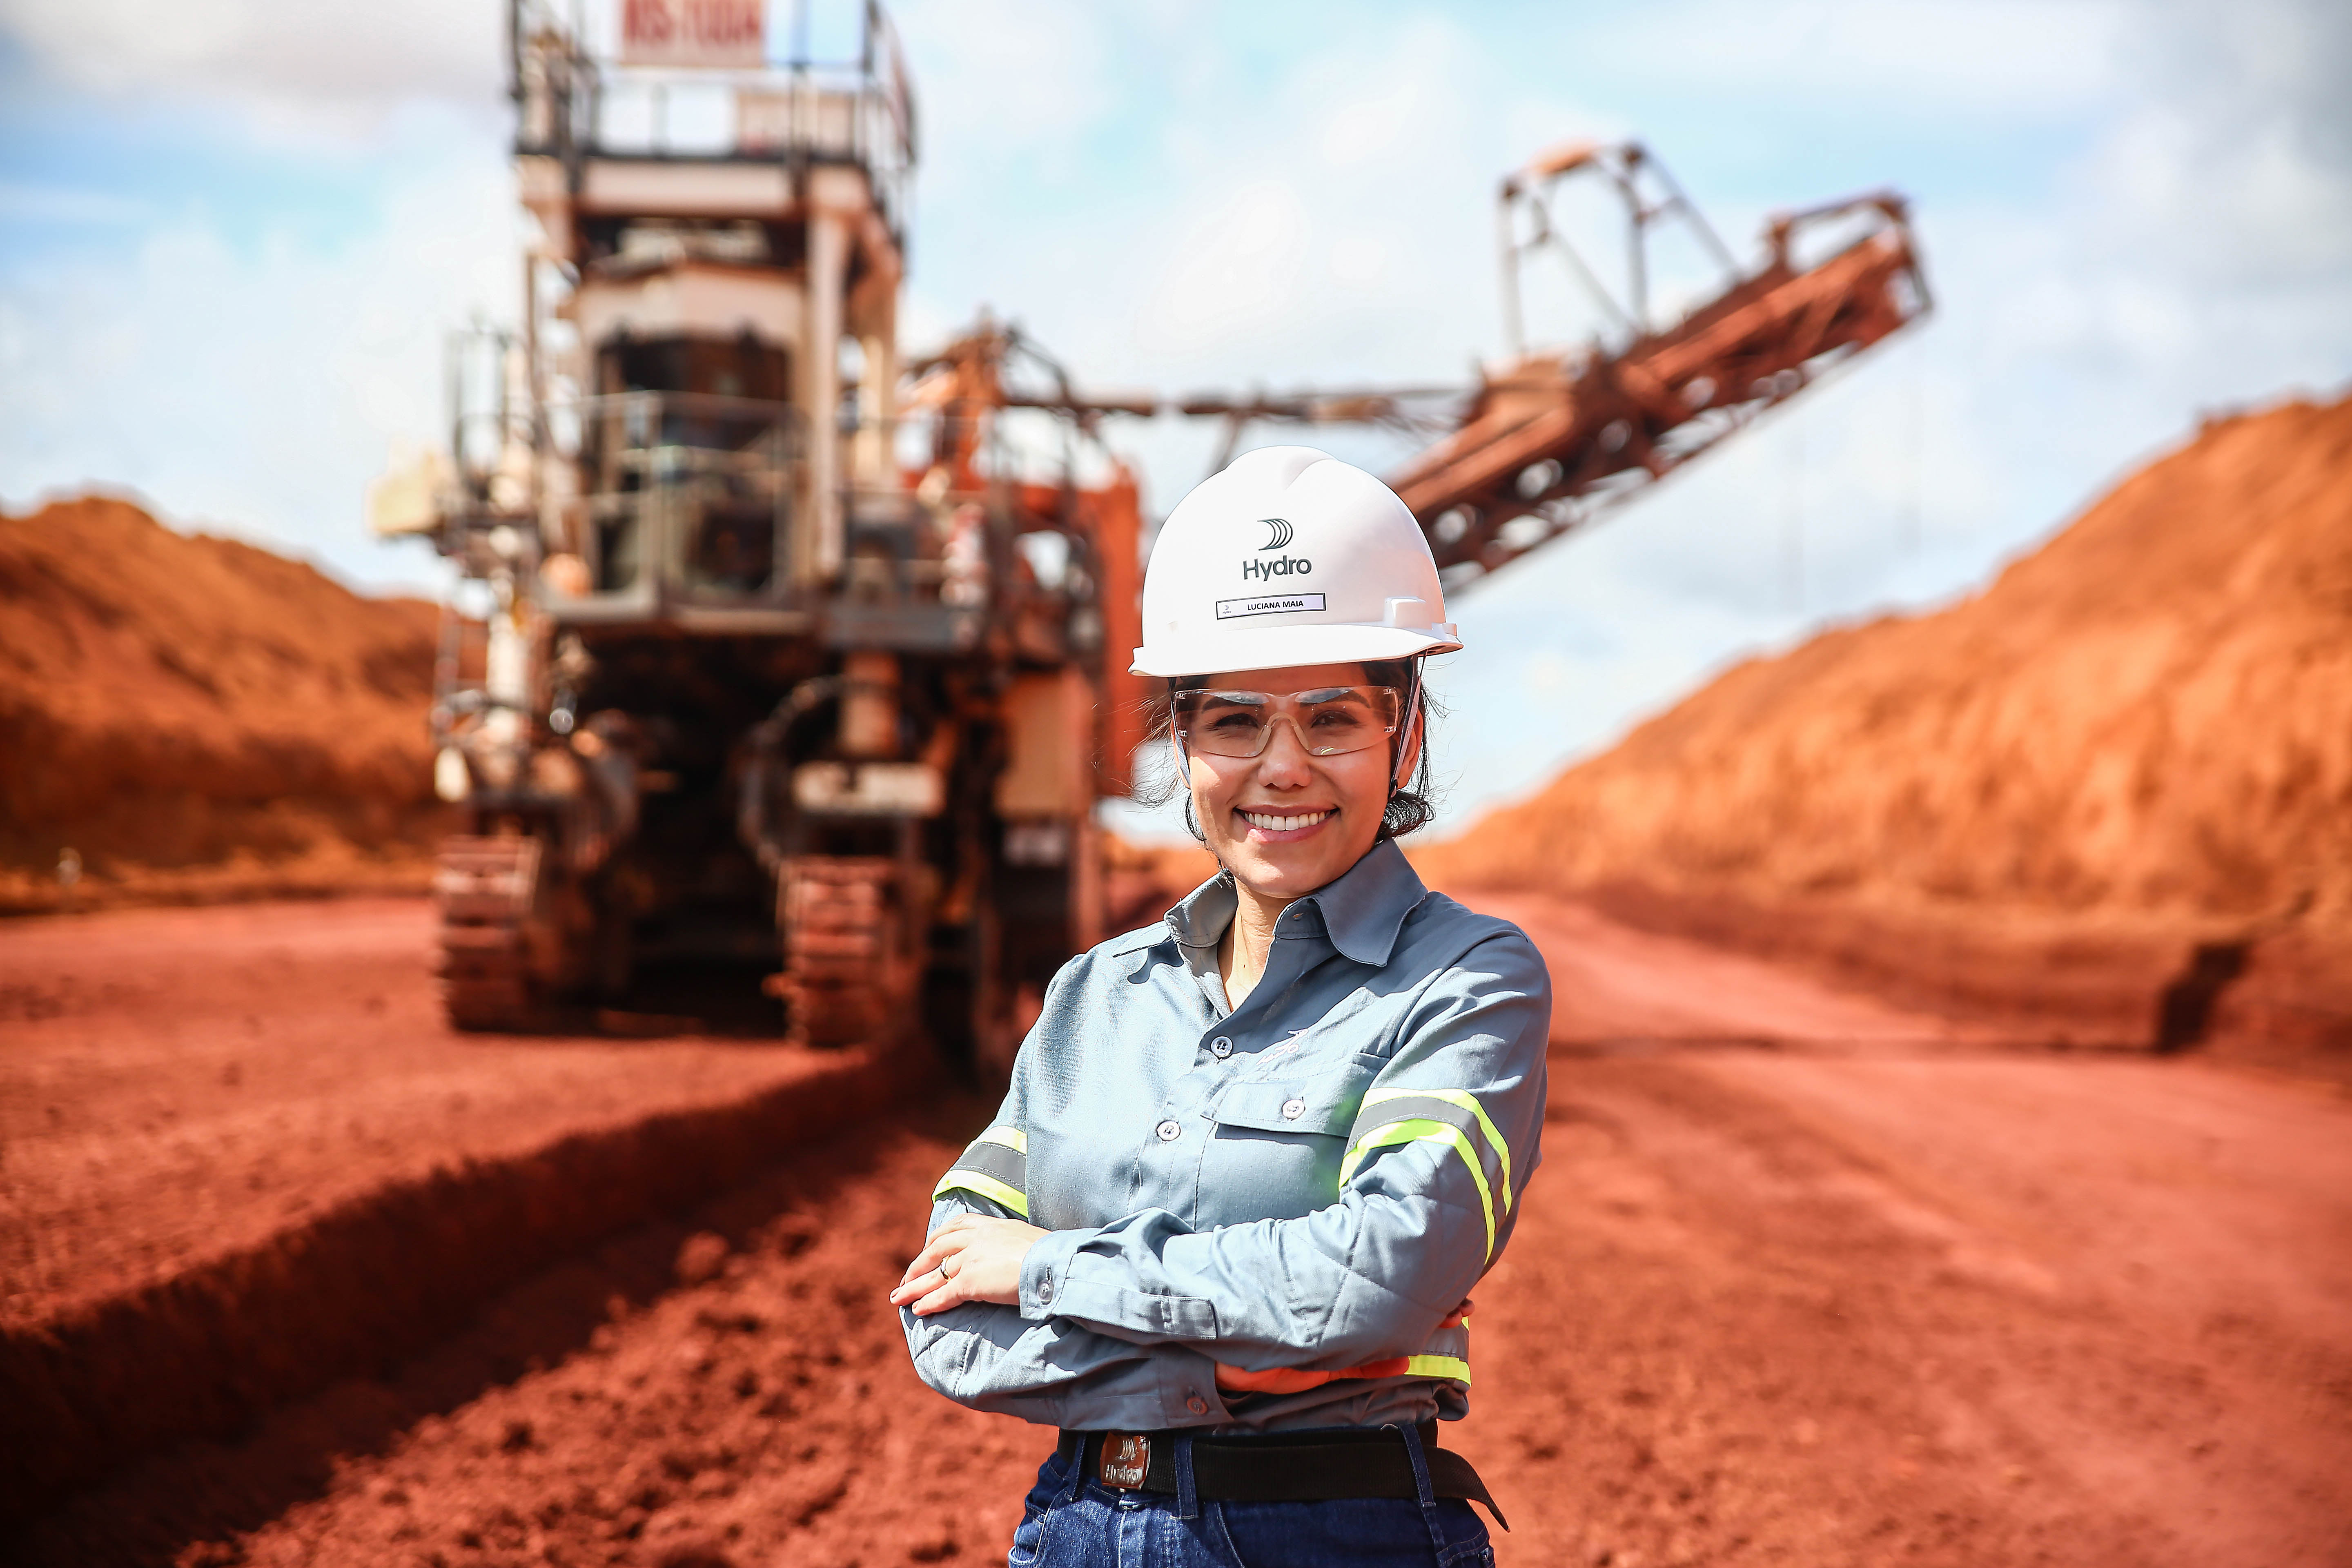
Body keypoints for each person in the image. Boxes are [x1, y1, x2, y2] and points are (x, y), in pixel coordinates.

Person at [893, 447, 1551, 1566]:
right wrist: (1254, 1349)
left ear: (1408, 736)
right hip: (1075, 1530)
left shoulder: (1466, 978)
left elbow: (1379, 1281)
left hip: (1342, 1534)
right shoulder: (1092, 998)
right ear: (1183, 742)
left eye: (1332, 719)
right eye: (1236, 722)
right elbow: (948, 1311)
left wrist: (1054, 1273)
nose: (1281, 767)